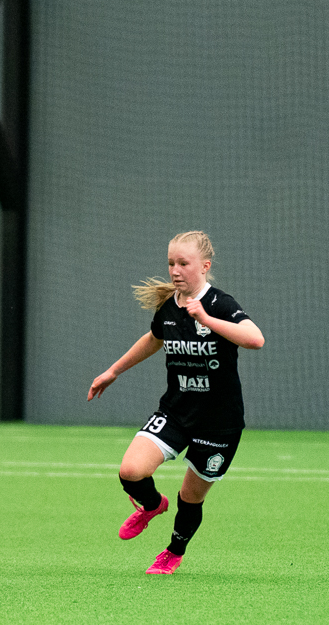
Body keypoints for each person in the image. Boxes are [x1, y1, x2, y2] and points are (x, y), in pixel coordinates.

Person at [87, 230, 264, 574]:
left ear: (205, 266)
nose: (175, 270)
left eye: (184, 263)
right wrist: (113, 371)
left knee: (191, 497)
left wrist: (207, 320)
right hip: (176, 412)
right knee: (131, 472)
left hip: (219, 422)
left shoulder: (220, 304)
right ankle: (152, 505)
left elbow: (255, 339)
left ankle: (173, 552)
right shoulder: (169, 306)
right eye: (171, 263)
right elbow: (154, 339)